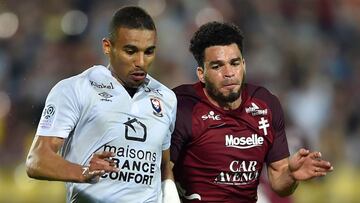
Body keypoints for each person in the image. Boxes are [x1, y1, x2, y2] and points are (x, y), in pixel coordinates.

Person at [26, 6, 180, 203]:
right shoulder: (76, 89)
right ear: (108, 47)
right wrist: (82, 171)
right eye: (130, 51)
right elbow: (37, 160)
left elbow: (163, 167)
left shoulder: (166, 98)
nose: (141, 61)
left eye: (148, 52)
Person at [170, 21, 333, 203]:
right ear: (201, 73)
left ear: (244, 65)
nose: (229, 73)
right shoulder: (183, 105)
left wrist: (291, 175)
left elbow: (280, 182)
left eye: (234, 63)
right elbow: (163, 170)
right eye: (217, 66)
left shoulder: (266, 105)